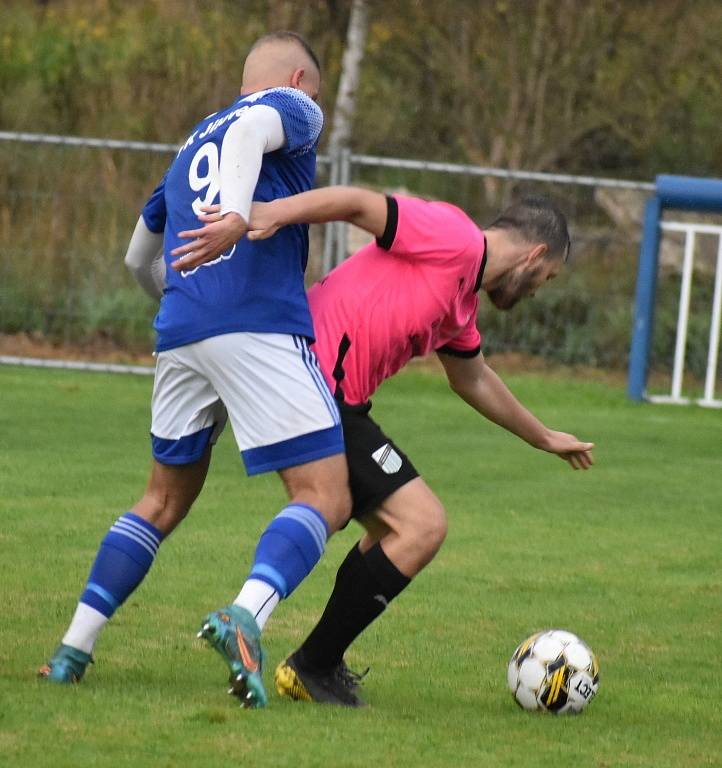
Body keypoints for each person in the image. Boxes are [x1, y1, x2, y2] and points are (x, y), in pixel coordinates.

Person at [137, 184, 595, 708]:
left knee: (392, 530)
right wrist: (265, 214)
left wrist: (544, 437)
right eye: (548, 277)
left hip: (330, 395)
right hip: (313, 381)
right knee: (421, 524)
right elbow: (359, 204)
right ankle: (308, 661)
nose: (540, 289)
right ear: (535, 255)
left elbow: (474, 379)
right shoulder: (454, 238)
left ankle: (309, 662)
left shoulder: (461, 301)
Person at [39, 31, 351, 711]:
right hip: (259, 322)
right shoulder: (290, 107)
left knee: (160, 501)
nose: (313, 114)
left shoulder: (187, 149)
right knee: (325, 495)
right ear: (298, 78)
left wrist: (187, 301)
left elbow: (135, 256)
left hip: (181, 334)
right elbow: (251, 131)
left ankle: (72, 650)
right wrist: (238, 217)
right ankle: (246, 614)